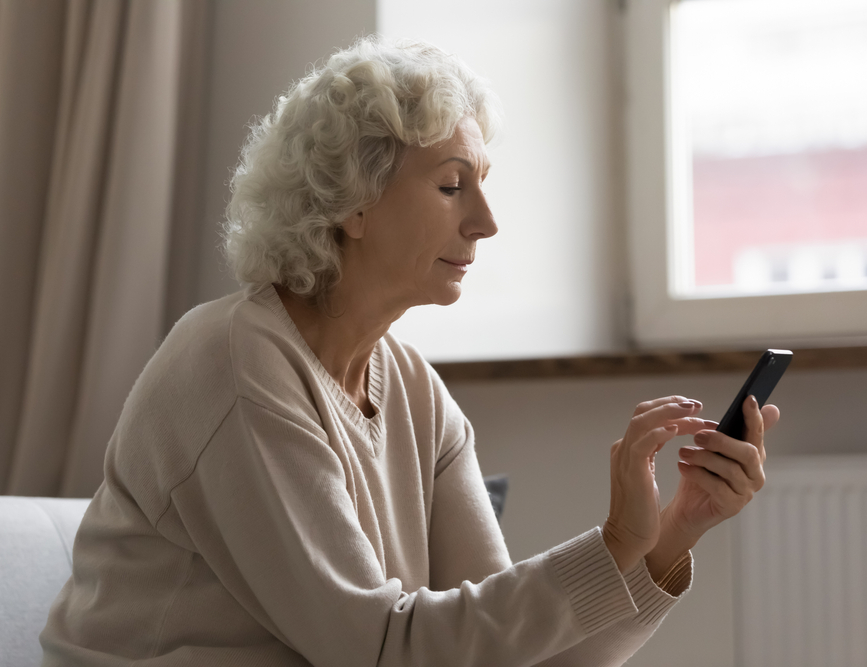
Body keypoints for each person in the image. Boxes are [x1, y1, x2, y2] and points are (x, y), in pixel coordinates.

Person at [40, 37, 780, 666]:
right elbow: (378, 647)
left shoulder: (416, 392)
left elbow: (507, 650)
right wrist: (615, 539)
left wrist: (676, 526)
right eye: (452, 185)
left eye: (481, 186)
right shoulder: (235, 361)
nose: (486, 222)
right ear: (351, 201)